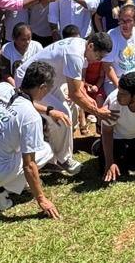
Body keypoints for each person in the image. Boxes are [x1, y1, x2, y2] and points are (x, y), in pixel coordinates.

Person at [0, 61, 63, 215]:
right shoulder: (30, 117)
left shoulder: (1, 88)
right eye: (48, 89)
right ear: (42, 87)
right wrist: (42, 199)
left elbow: (18, 102)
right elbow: (29, 166)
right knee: (45, 150)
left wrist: (48, 111)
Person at [15, 32, 115, 175]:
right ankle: (63, 159)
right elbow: (74, 94)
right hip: (31, 81)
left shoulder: (81, 45)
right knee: (62, 115)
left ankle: (52, 156)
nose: (99, 60)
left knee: (70, 111)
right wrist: (97, 112)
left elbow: (76, 82)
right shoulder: (75, 54)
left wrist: (86, 97)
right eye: (99, 56)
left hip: (49, 82)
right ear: (91, 46)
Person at [105, 4, 135, 82]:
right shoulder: (111, 34)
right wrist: (118, 85)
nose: (124, 24)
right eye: (122, 20)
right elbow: (106, 64)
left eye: (128, 21)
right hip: (116, 79)